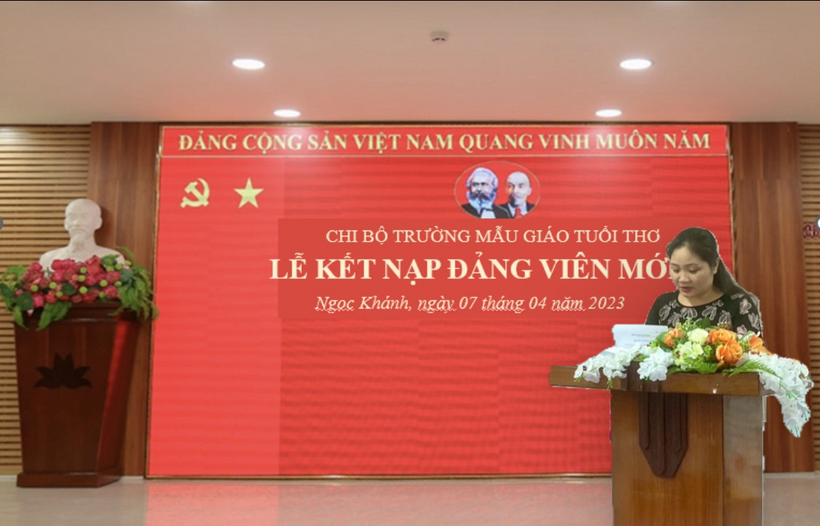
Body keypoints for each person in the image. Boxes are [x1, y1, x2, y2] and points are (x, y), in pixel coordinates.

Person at [645, 227, 763, 335]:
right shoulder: (663, 305)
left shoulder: (740, 304)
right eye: (676, 269)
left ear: (714, 265)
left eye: (693, 270)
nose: (683, 279)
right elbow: (646, 348)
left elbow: (753, 349)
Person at [39, 198, 124, 270]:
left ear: (97, 223)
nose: (77, 223)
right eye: (72, 217)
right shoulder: (48, 259)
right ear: (66, 223)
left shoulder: (114, 259)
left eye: (84, 217)